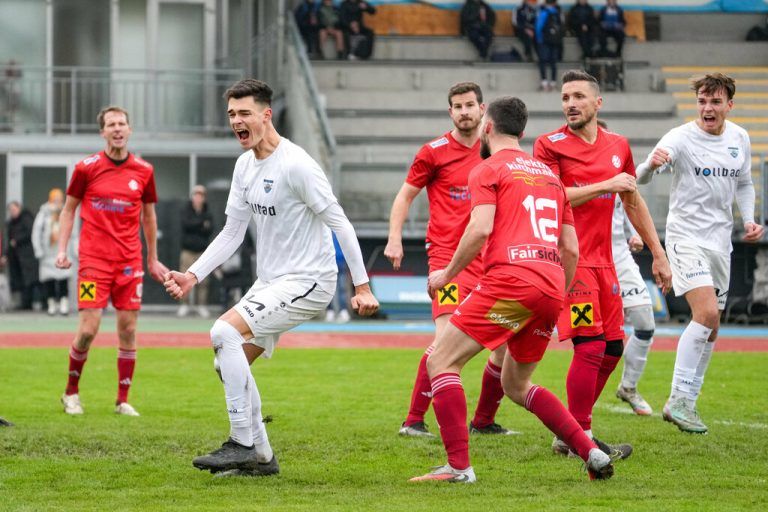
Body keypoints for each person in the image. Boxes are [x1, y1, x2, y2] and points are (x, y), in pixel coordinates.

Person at [163, 79, 379, 476]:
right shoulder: (244, 166)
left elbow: (341, 223)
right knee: (228, 362)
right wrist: (193, 274)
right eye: (231, 114)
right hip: (271, 281)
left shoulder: (297, 165)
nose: (236, 121)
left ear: (266, 115)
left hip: (310, 281)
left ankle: (241, 441)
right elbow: (231, 232)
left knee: (223, 334)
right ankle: (262, 457)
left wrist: (362, 286)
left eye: (244, 113)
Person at [410, 96, 614, 483]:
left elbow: (481, 228)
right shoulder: (551, 177)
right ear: (521, 132)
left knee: (441, 361)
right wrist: (554, 295)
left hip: (510, 280)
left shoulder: (487, 168)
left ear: (487, 126)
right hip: (551, 286)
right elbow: (570, 247)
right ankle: (590, 452)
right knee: (517, 384)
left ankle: (458, 468)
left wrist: (447, 274)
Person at [533, 70, 672, 458]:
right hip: (569, 261)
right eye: (564, 97)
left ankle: (570, 432)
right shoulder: (549, 145)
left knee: (612, 348)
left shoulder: (618, 145)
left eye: (578, 96)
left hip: (607, 263)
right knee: (590, 345)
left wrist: (658, 255)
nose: (570, 104)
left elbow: (632, 199)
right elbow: (552, 198)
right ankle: (583, 438)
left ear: (598, 103)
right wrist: (604, 185)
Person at [636, 73, 764, 434]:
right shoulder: (680, 137)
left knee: (712, 328)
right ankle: (676, 399)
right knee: (705, 313)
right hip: (685, 237)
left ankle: (688, 403)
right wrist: (651, 165)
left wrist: (750, 219)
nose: (708, 108)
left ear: (729, 105)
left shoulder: (739, 137)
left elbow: (744, 182)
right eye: (702, 102)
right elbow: (640, 178)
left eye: (715, 102)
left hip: (720, 243)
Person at [385, 82, 515, 438]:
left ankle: (484, 421)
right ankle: (413, 420)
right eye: (457, 106)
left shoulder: (494, 152)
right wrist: (395, 239)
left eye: (470, 105)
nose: (464, 112)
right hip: (447, 261)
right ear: (450, 112)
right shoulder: (433, 152)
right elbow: (404, 196)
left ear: (482, 109)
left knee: (505, 343)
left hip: (490, 262)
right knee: (444, 342)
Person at [56, 106, 168, 417]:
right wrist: (62, 250)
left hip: (129, 263)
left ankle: (122, 400)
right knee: (89, 329)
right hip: (93, 262)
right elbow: (68, 210)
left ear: (129, 130)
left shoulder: (144, 171)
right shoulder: (86, 168)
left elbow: (149, 217)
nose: (117, 129)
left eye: (122, 123)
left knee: (128, 328)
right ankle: (71, 393)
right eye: (111, 124)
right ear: (102, 132)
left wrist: (153, 258)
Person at [611, 196, 656, 416]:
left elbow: (630, 200)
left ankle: (628, 387)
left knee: (645, 324)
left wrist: (636, 233)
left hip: (621, 257)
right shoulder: (574, 165)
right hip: (587, 256)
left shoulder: (619, 164)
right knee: (596, 342)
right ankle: (579, 416)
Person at [32, 188, 72, 316]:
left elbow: (74, 232)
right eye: (55, 199)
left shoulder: (67, 212)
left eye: (60, 199)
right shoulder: (43, 214)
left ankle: (64, 304)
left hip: (63, 251)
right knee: (48, 280)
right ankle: (51, 304)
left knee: (63, 279)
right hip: (48, 254)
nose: (57, 202)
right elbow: (36, 232)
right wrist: (38, 250)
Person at [178, 185, 214, 318]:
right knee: (183, 278)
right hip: (187, 251)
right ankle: (184, 305)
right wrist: (200, 224)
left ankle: (201, 305)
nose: (198, 198)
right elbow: (186, 225)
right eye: (196, 195)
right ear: (192, 196)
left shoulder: (208, 213)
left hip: (202, 252)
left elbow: (209, 230)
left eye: (201, 195)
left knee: (203, 281)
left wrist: (196, 225)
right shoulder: (185, 210)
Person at [5, 201, 40, 311]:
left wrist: (17, 240)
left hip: (28, 256)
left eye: (14, 209)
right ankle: (25, 304)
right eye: (10, 210)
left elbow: (30, 233)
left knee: (30, 281)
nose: (12, 212)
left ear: (19, 208)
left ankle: (34, 303)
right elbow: (9, 241)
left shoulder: (26, 218)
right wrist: (6, 254)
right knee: (21, 281)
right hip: (17, 257)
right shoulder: (11, 223)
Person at [535, 0, 563, 92]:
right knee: (553, 61)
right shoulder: (558, 13)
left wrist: (539, 40)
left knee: (543, 61)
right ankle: (553, 83)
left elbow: (539, 27)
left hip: (544, 41)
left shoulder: (543, 12)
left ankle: (544, 82)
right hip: (555, 41)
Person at [326, 232, 351, 322]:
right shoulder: (324, 231)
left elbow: (348, 247)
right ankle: (330, 311)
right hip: (327, 265)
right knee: (328, 289)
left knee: (342, 288)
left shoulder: (340, 231)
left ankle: (343, 311)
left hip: (340, 263)